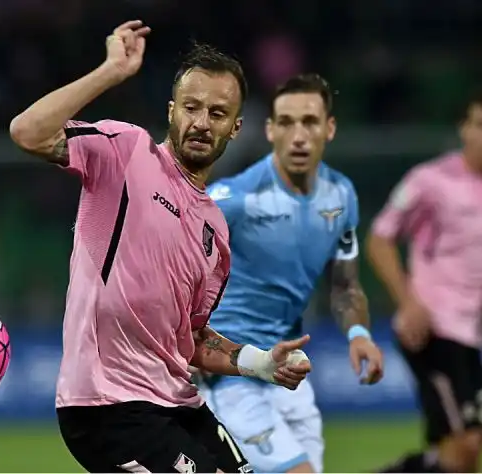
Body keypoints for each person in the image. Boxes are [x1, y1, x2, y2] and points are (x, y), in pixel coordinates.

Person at [9, 20, 312, 474]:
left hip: (179, 404)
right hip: (108, 407)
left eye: (217, 113)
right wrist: (110, 72)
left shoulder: (216, 232)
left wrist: (262, 364)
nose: (202, 122)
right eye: (192, 107)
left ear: (235, 128)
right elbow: (27, 132)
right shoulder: (125, 152)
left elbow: (187, 340)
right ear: (172, 110)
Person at [201, 74, 384, 473]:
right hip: (234, 372)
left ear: (329, 128)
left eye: (309, 121)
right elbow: (173, 274)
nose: (298, 135)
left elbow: (345, 285)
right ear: (270, 130)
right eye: (286, 122)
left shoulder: (341, 196)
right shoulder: (234, 200)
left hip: (289, 373)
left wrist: (359, 334)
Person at [367, 91, 482, 473]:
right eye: (479, 124)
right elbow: (380, 238)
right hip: (433, 328)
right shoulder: (430, 181)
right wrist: (409, 303)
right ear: (463, 128)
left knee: (455, 458)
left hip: (471, 335)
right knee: (467, 443)